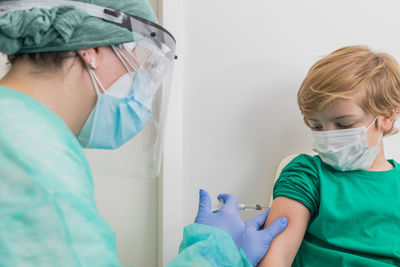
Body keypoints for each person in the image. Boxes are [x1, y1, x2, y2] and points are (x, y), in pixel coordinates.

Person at [0, 1, 287, 266]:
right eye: (141, 62)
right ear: (90, 50)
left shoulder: (21, 131)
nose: (141, 84)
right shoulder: (35, 161)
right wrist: (215, 255)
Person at [258, 45, 400, 266]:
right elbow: (276, 258)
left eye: (344, 124)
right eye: (317, 127)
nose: (329, 138)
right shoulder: (307, 175)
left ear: (386, 117)